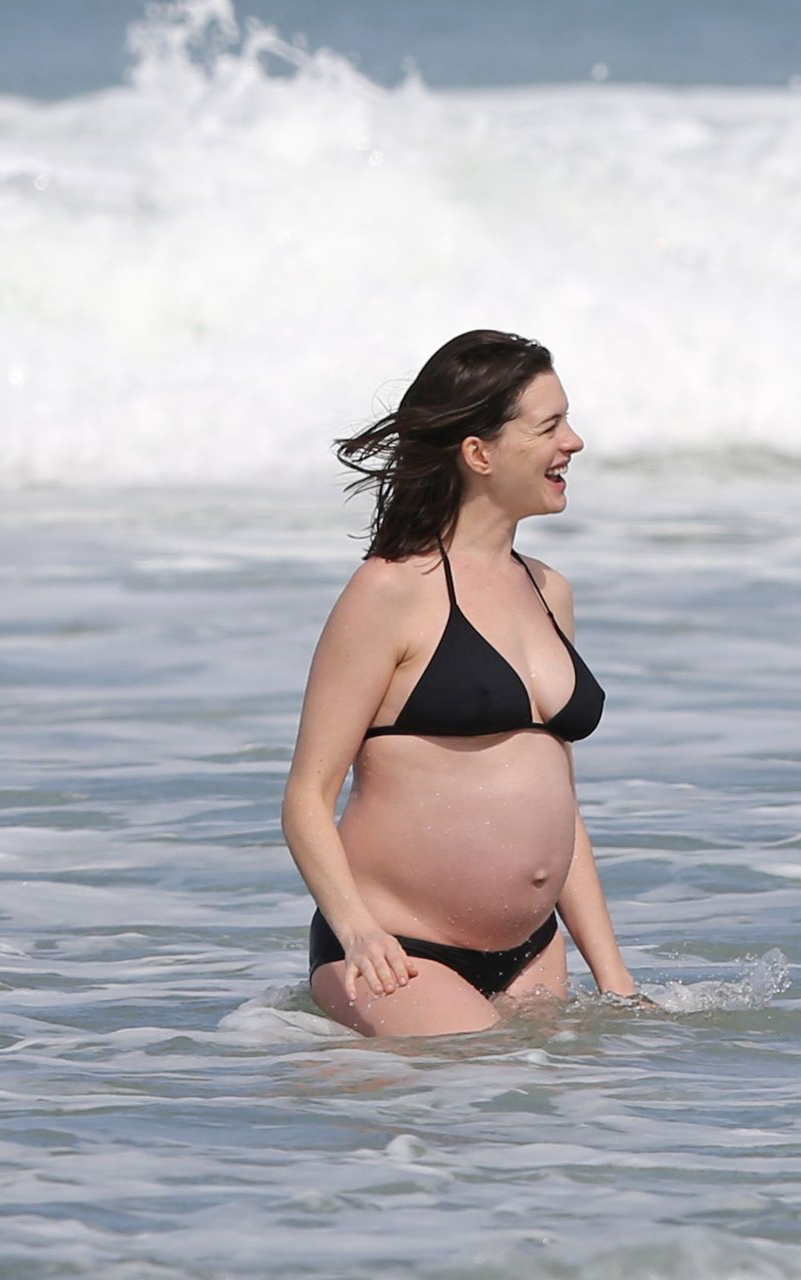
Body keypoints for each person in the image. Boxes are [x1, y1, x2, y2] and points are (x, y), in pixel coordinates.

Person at [281, 330, 639, 1037]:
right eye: (549, 426)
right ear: (479, 453)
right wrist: (357, 931)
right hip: (398, 953)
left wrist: (616, 980)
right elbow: (306, 797)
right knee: (472, 1071)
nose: (574, 443)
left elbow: (560, 805)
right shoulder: (390, 591)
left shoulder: (550, 591)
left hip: (533, 951)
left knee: (552, 1101)